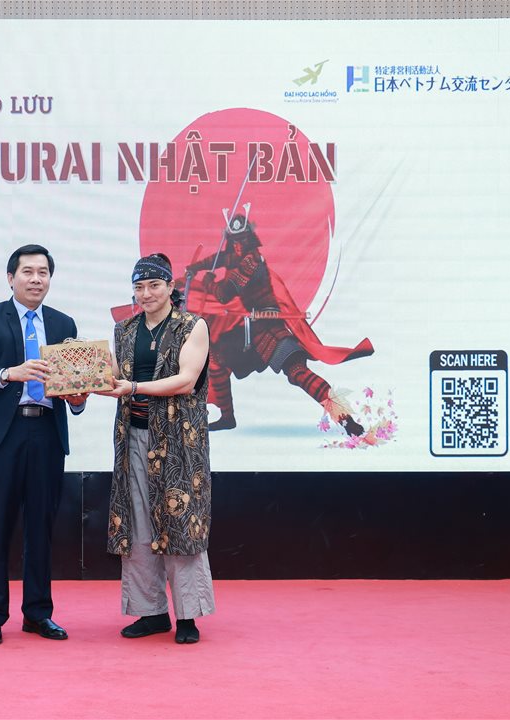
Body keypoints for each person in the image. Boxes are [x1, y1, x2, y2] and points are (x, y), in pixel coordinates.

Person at [0, 244, 87, 646]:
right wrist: (9, 373)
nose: (36, 279)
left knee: (41, 526)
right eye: (28, 272)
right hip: (4, 434)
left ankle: (37, 613)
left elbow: (74, 385)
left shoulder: (63, 323)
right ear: (11, 278)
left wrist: (78, 397)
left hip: (47, 432)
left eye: (43, 272)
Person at [98, 253, 214, 644]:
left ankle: (188, 617)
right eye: (139, 287)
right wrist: (79, 379)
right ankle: (151, 613)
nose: (146, 293)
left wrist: (133, 387)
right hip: (134, 435)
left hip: (179, 441)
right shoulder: (124, 330)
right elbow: (113, 378)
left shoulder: (192, 325)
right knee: (137, 524)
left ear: (170, 287)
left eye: (154, 285)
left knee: (181, 522)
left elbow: (186, 380)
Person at [197, 214, 371, 435]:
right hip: (250, 332)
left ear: (249, 239)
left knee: (298, 372)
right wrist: (196, 267)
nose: (238, 246)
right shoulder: (237, 257)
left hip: (269, 330)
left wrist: (209, 282)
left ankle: (345, 419)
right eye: (234, 241)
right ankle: (227, 417)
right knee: (215, 357)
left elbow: (224, 294)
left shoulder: (250, 261)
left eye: (241, 240)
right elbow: (221, 258)